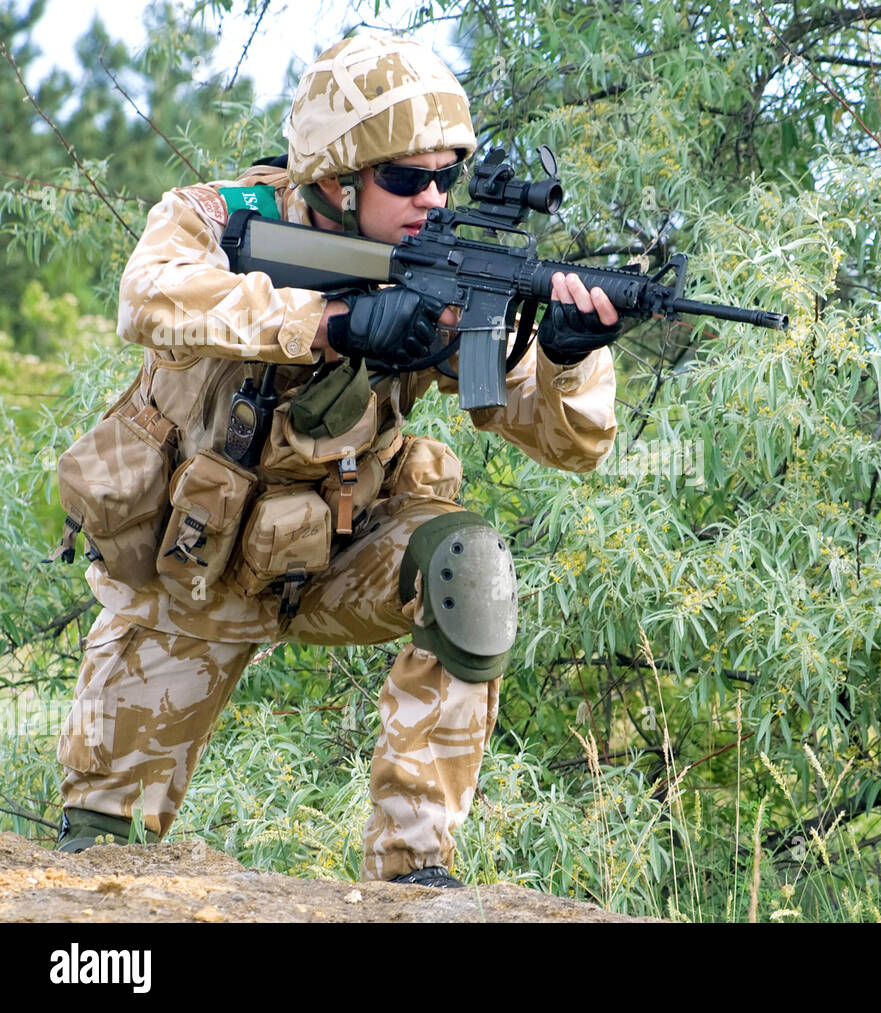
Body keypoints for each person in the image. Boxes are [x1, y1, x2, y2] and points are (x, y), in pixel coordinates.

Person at [49, 31, 621, 888]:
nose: (431, 197)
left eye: (444, 177)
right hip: (189, 567)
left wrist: (569, 356)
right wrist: (332, 325)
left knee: (473, 568)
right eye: (405, 178)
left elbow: (570, 444)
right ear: (333, 176)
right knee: (100, 853)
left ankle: (413, 867)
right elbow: (149, 294)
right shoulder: (220, 216)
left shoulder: (448, 269)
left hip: (338, 550)